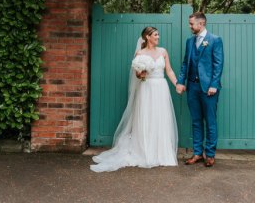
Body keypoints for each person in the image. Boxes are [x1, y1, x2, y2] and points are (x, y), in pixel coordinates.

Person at [90, 26, 179, 172]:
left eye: (158, 35)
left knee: (160, 118)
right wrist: (141, 74)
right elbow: (138, 75)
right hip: (146, 89)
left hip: (161, 88)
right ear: (147, 37)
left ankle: (162, 153)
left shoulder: (163, 51)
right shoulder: (140, 53)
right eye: (156, 35)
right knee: (146, 118)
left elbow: (169, 70)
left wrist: (177, 84)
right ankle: (145, 152)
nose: (158, 37)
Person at [175, 12, 224, 167]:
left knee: (210, 121)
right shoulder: (190, 41)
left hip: (208, 88)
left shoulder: (215, 40)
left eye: (191, 24)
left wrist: (214, 85)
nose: (190, 26)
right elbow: (185, 64)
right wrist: (181, 82)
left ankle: (210, 154)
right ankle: (197, 153)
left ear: (201, 24)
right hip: (192, 87)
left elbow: (218, 64)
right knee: (196, 121)